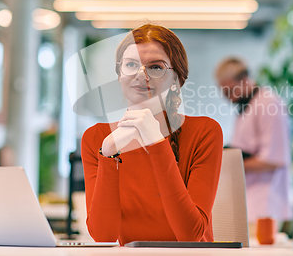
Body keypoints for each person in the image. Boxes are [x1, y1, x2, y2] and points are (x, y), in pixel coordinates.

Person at [81, 24, 223, 245]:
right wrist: (108, 153)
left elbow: (190, 235)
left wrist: (156, 142)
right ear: (119, 74)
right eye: (131, 65)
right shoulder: (97, 138)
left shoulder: (204, 132)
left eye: (156, 67)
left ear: (176, 80)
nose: (141, 75)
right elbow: (103, 235)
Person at [214, 57, 293, 227]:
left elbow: (275, 159)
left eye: (229, 91)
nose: (228, 98)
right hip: (250, 201)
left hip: (266, 204)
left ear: (244, 80)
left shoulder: (268, 104)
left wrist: (230, 162)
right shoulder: (246, 106)